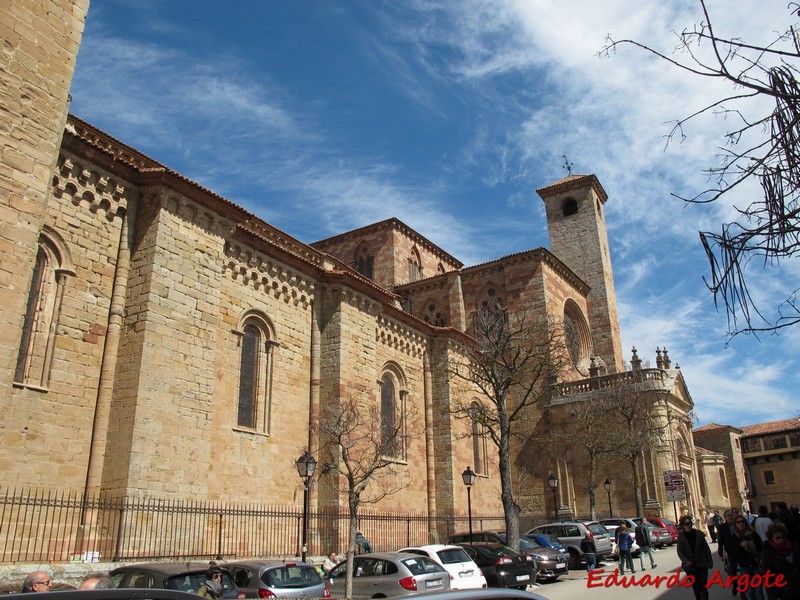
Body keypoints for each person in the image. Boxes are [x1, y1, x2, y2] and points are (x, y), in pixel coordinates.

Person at [759, 521, 799, 600]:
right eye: (777, 538)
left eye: (783, 537)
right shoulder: (767, 553)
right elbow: (768, 577)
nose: (781, 540)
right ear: (771, 538)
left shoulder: (794, 547)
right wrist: (772, 596)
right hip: (784, 591)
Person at [677, 515, 713, 600]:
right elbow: (680, 551)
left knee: (703, 587)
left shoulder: (699, 534)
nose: (689, 525)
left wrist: (709, 561)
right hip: (689, 566)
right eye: (687, 524)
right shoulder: (681, 537)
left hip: (701, 563)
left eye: (690, 523)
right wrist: (685, 561)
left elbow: (706, 549)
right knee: (696, 587)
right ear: (682, 526)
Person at [733, 514, 764, 600]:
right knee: (750, 591)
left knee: (759, 590)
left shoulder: (753, 535)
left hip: (755, 564)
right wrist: (741, 546)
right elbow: (732, 551)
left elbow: (760, 547)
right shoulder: (735, 537)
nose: (740, 524)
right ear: (735, 524)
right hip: (744, 566)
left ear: (746, 523)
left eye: (742, 522)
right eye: (738, 522)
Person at [719, 508, 742, 595]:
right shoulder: (722, 527)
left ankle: (743, 592)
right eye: (728, 516)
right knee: (733, 571)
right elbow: (720, 541)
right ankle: (735, 584)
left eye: (731, 515)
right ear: (725, 517)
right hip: (730, 552)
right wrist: (720, 553)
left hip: (741, 551)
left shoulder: (738, 524)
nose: (730, 517)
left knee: (743, 571)